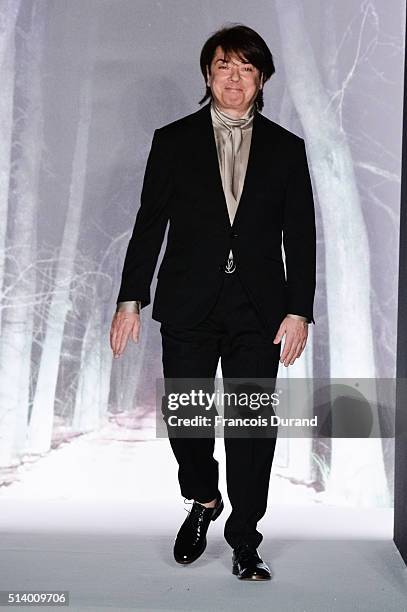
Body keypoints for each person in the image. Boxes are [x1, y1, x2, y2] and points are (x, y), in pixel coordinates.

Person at [110, 24, 316, 581]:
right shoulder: (173, 141)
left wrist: (299, 310)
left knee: (252, 429)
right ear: (208, 73)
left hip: (259, 311)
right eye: (224, 65)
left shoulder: (286, 149)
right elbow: (149, 225)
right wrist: (131, 298)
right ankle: (203, 500)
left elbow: (300, 235)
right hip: (187, 303)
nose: (234, 77)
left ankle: (246, 538)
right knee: (187, 419)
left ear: (262, 79)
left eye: (246, 68)